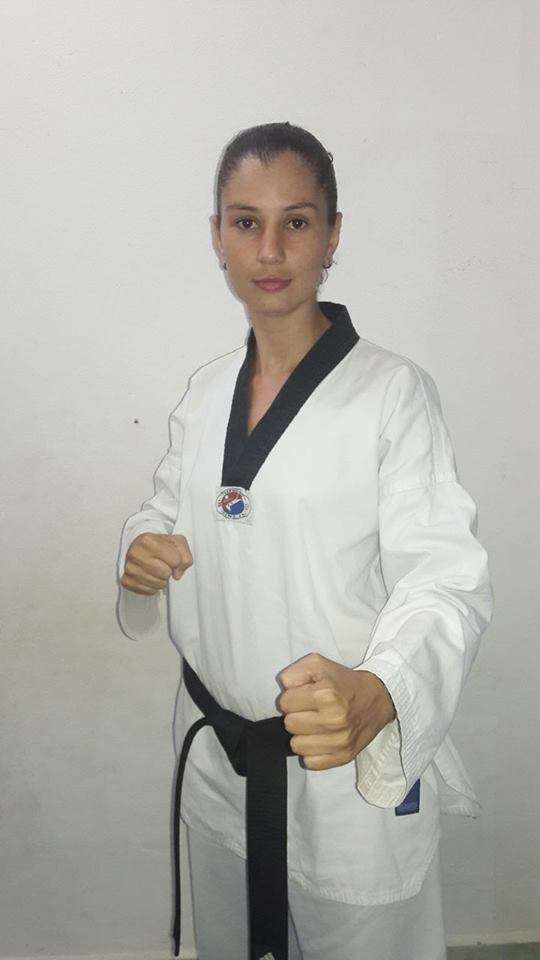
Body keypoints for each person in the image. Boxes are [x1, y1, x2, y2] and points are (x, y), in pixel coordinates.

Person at [117, 122, 493, 960]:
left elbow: (445, 578)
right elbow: (167, 509)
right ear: (217, 235)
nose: (270, 249)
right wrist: (143, 549)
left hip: (340, 770)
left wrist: (384, 690)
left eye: (296, 221)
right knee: (231, 940)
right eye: (245, 222)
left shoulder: (392, 394)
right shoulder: (205, 393)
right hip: (222, 753)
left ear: (332, 235)